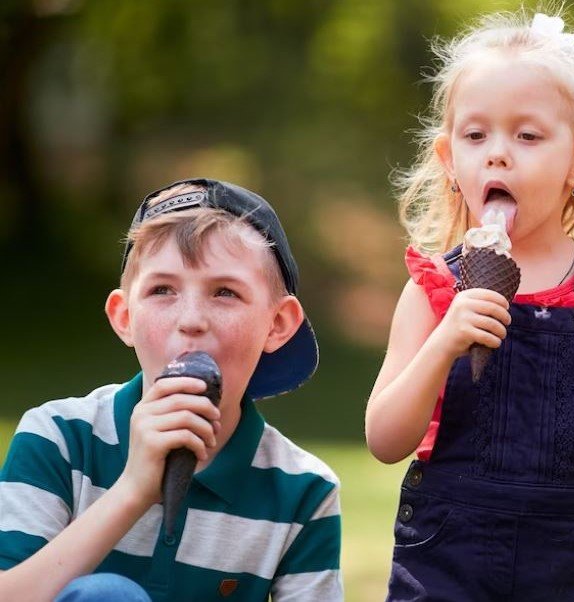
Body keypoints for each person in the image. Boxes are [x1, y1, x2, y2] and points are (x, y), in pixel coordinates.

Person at [365, 10, 574, 601]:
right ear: (450, 160)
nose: (498, 155)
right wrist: (446, 339)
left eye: (527, 137)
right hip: (445, 556)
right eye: (476, 136)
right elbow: (383, 439)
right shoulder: (431, 289)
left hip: (567, 562)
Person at [0, 179, 342, 601]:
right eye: (162, 290)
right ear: (124, 317)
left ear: (277, 324)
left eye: (225, 292)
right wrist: (133, 489)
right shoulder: (58, 438)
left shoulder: (303, 489)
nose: (191, 319)